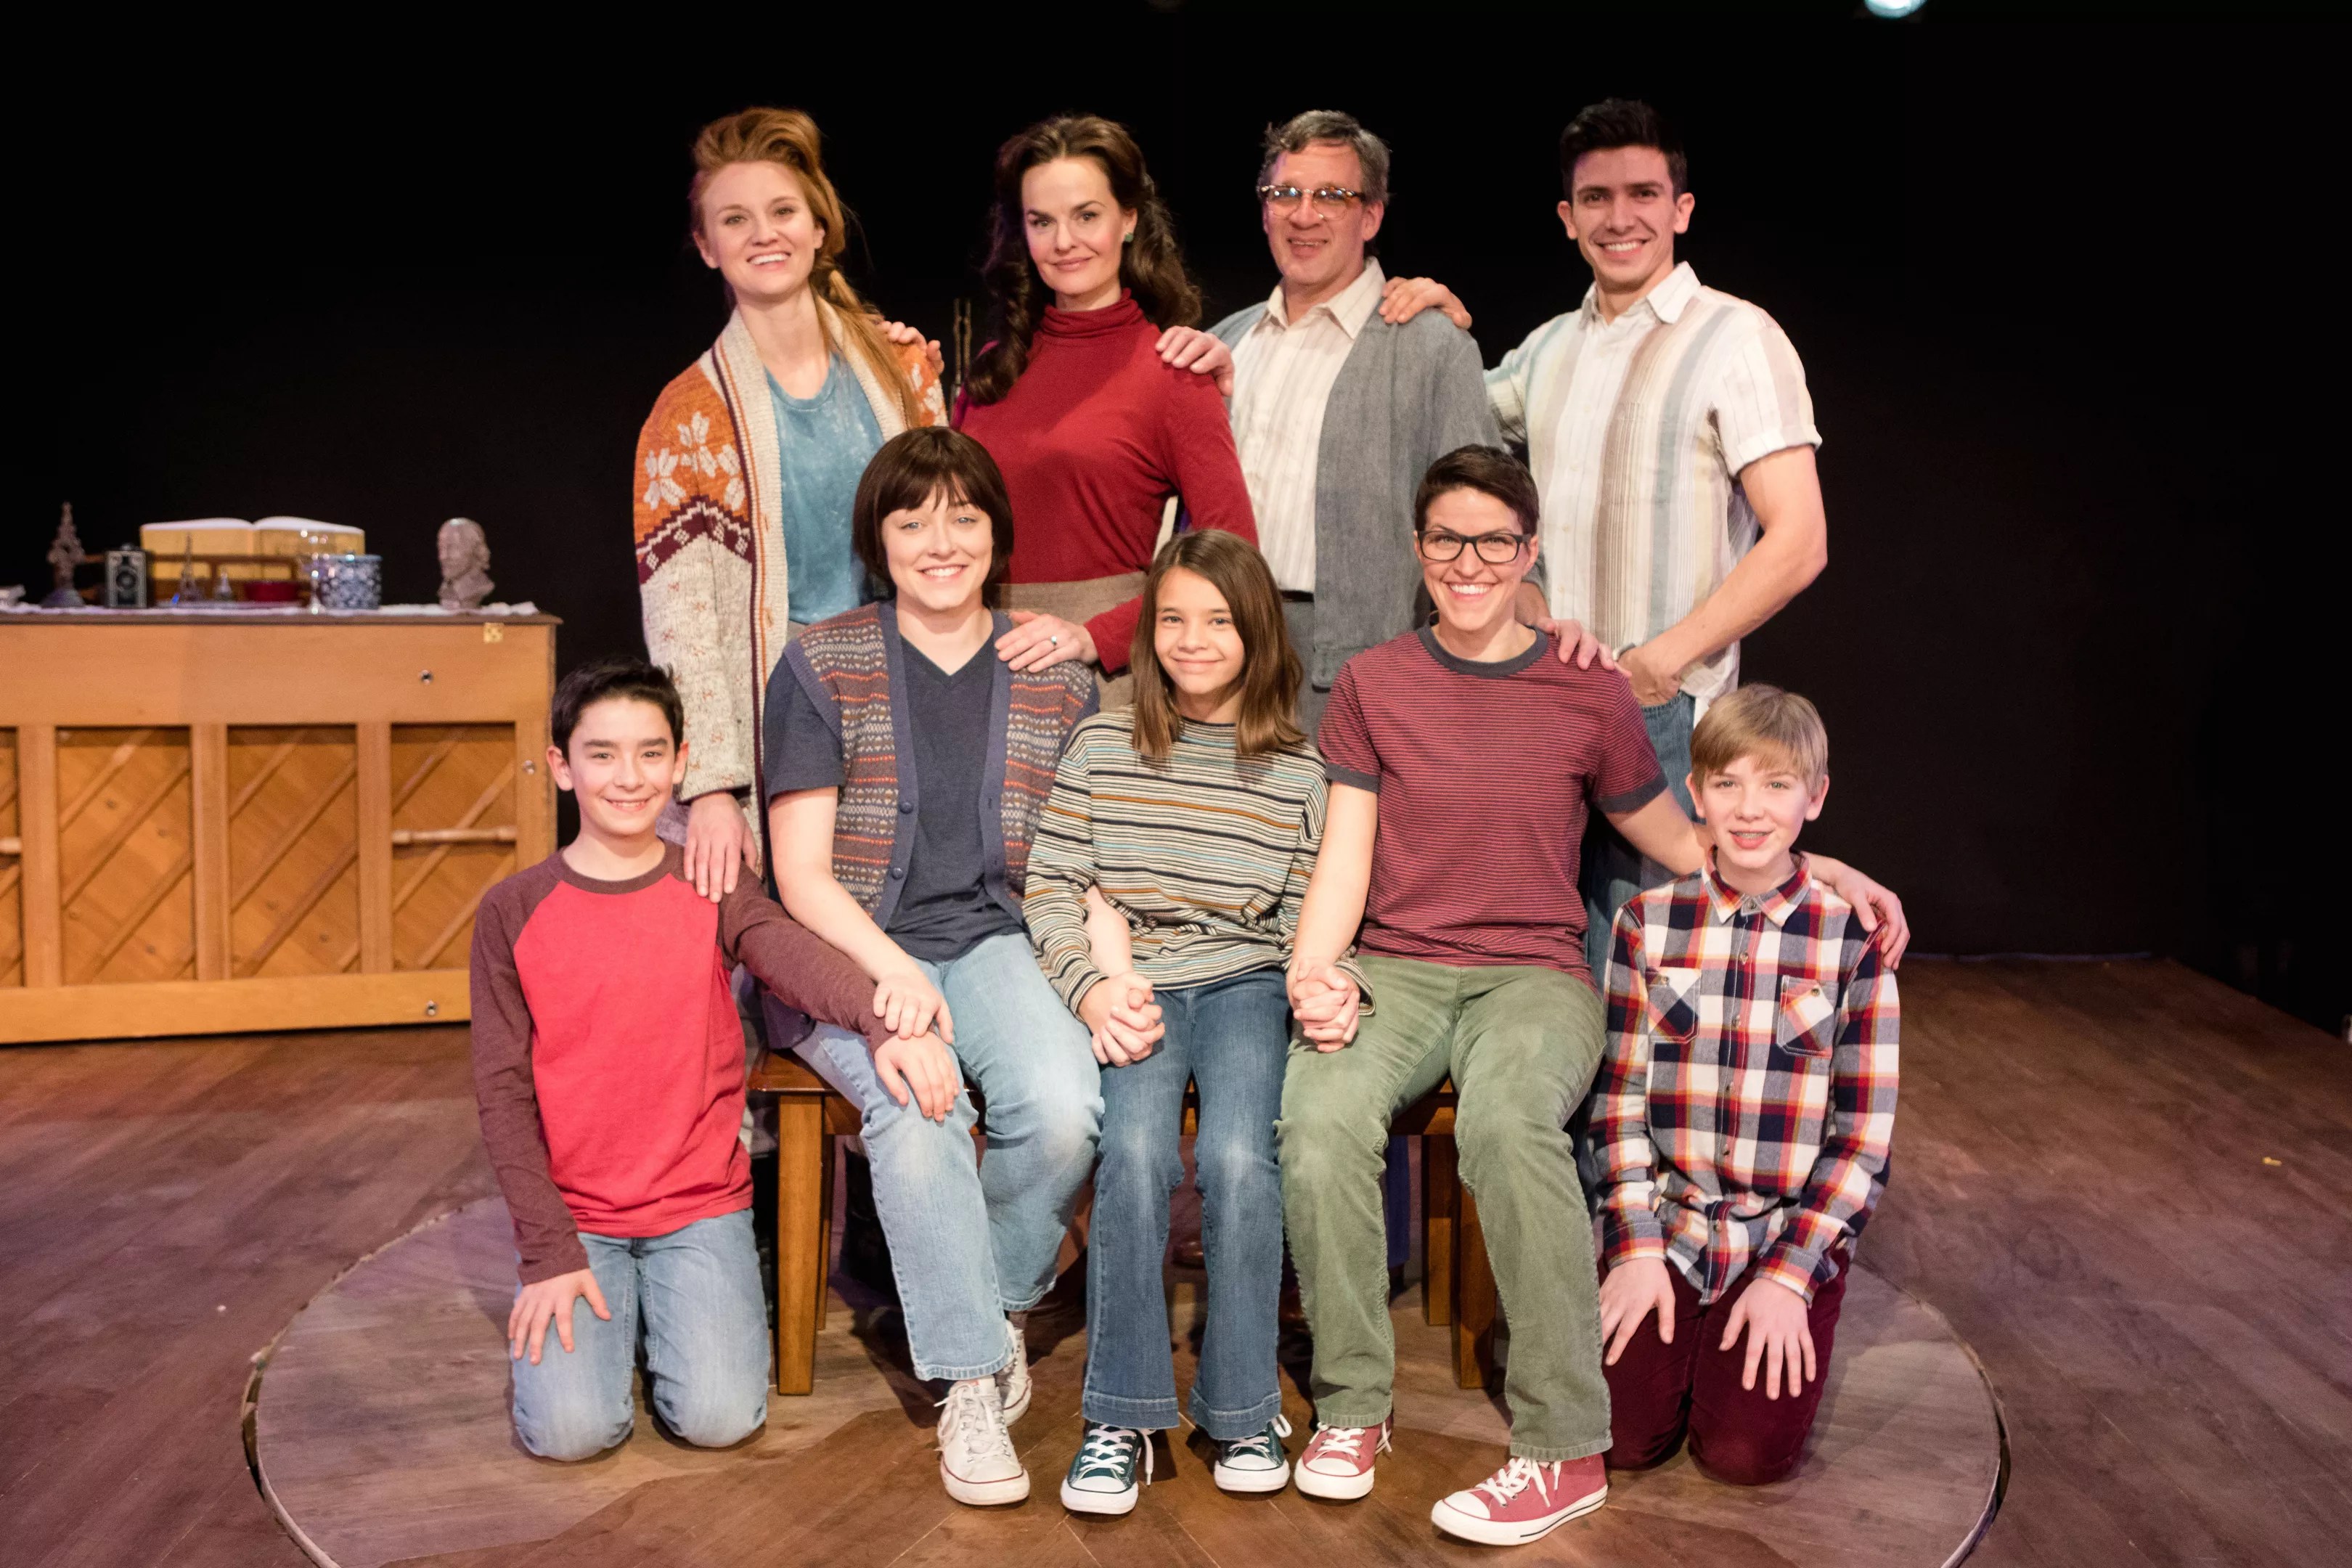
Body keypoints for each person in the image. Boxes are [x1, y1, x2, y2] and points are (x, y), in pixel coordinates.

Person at [1274, 447, 1904, 1548]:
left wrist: (1822, 868)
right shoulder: (1376, 682)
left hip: (1535, 974)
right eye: (1447, 540)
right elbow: (1347, 851)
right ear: (1419, 550)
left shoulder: (1585, 687)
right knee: (1318, 1118)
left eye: (1494, 542)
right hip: (1400, 965)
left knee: (1512, 1122)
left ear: (1530, 553)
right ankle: (1353, 1405)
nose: (1469, 563)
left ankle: (1562, 1446)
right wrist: (1314, 971)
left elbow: (1683, 839)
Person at [1382, 99, 1830, 974]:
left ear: (1681, 209)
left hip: (1660, 707)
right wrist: (1442, 323)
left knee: (1646, 969)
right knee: (1549, 960)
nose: (1619, 217)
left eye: (1643, 194)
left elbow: (1800, 540)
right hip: (1545, 699)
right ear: (1567, 217)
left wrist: (1660, 663)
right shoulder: (1550, 348)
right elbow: (1458, 423)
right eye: (1596, 198)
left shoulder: (1737, 337)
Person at [764, 427, 1103, 1507]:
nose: (940, 542)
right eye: (912, 522)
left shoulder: (1051, 672)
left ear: (998, 532)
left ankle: (993, 1309)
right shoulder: (822, 663)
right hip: (856, 946)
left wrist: (1105, 977)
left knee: (1064, 1108)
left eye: (964, 516)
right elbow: (801, 875)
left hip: (1002, 938)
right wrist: (888, 979)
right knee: (919, 1110)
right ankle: (967, 1384)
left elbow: (1082, 857)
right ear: (879, 541)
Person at [468, 656, 897, 1461]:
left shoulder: (712, 885)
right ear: (561, 766)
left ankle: (656, 1311)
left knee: (720, 1420)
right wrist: (548, 1250)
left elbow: (790, 954)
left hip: (699, 1208)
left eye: (650, 753)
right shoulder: (512, 910)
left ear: (681, 763)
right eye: (602, 754)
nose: (629, 777)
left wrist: (886, 1017)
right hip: (578, 1217)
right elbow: (501, 1092)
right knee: (570, 1435)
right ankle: (621, 1314)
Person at [1025, 529, 1360, 1514]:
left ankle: (1244, 1406)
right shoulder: (1102, 742)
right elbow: (1053, 884)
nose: (1192, 639)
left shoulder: (1299, 770)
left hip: (1248, 984)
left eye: (1217, 621)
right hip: (1137, 986)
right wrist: (1093, 988)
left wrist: (1330, 983)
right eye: (1172, 619)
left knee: (1239, 1160)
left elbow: (1310, 918)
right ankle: (1119, 1415)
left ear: (1257, 632)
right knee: (1133, 1156)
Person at [633, 107, 944, 904]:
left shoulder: (903, 370)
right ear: (707, 246)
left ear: (818, 227)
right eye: (735, 219)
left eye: (782, 211)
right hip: (786, 712)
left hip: (910, 687)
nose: (763, 234)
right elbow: (681, 620)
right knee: (794, 930)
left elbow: (952, 535)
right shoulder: (688, 415)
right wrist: (711, 786)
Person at [1591, 684, 1897, 1487]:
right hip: (1672, 1226)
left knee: (1744, 1457)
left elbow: (1863, 1142)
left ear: (1814, 798)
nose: (1750, 808)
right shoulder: (1646, 925)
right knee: (1620, 1438)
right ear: (1695, 793)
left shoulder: (1851, 943)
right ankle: (1676, 1330)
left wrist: (1792, 1275)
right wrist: (1634, 1246)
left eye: (1776, 784)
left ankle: (1771, 1316)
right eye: (1727, 783)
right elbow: (1618, 1105)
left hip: (1782, 1236)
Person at [954, 114, 1257, 708]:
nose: (1064, 242)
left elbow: (1234, 553)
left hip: (1097, 675)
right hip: (973, 655)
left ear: (1130, 219)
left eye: (1087, 216)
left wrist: (1099, 636)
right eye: (1042, 222)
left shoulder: (1173, 369)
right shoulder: (993, 368)